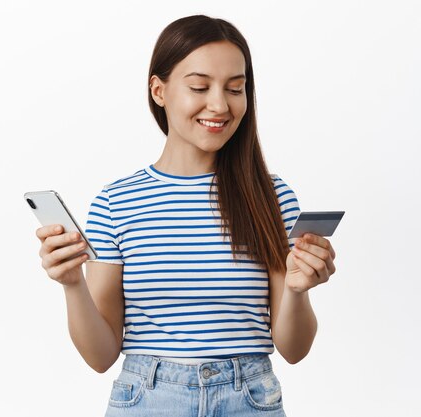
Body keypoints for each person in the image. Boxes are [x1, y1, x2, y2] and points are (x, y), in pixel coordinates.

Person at [34, 14, 337, 417]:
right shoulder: (115, 203)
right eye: (199, 86)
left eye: (236, 88)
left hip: (249, 399)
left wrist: (299, 291)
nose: (220, 105)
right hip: (147, 398)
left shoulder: (272, 197)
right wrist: (72, 285)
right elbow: (100, 356)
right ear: (159, 90)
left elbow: (295, 350)